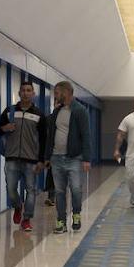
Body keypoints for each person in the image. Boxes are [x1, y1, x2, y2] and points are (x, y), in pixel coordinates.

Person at [0, 80, 48, 232]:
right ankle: (18, 206)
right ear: (19, 93)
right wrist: (4, 128)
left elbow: (44, 139)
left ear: (33, 94)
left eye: (28, 90)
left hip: (31, 159)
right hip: (11, 157)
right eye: (23, 90)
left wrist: (41, 160)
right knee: (11, 188)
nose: (25, 93)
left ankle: (27, 219)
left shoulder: (39, 115)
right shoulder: (9, 111)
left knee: (31, 190)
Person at [42, 80, 93, 233]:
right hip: (56, 158)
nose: (55, 96)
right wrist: (47, 156)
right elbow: (50, 134)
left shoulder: (80, 110)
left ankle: (76, 214)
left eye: (57, 93)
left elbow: (86, 135)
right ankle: (61, 221)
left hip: (74, 158)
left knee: (76, 189)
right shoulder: (57, 111)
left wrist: (86, 159)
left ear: (66, 92)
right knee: (59, 191)